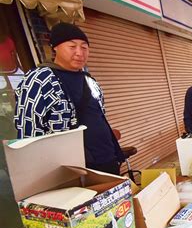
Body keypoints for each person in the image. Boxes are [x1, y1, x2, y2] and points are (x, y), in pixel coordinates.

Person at [14, 22, 124, 175]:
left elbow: (99, 116)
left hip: (108, 159)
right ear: (55, 47)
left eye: (84, 47)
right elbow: (28, 128)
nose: (80, 53)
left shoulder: (89, 80)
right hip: (73, 169)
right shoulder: (40, 79)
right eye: (72, 47)